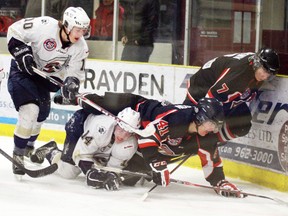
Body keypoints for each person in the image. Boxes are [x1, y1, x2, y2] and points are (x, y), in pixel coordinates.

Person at [54, 92, 245, 197]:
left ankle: (100, 162)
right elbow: (147, 138)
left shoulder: (205, 135)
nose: (213, 130)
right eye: (212, 124)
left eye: (216, 126)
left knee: (130, 178)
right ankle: (73, 96)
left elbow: (210, 159)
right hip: (139, 108)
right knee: (104, 104)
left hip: (140, 134)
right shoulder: (177, 118)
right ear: (201, 117)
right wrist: (156, 162)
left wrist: (220, 182)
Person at [7, 7, 90, 176]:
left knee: (41, 115)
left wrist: (71, 84)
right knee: (30, 110)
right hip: (23, 71)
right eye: (78, 29)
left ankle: (29, 146)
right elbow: (14, 30)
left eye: (84, 30)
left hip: (44, 78)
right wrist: (22, 52)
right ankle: (18, 154)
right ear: (67, 25)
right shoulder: (44, 26)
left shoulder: (81, 47)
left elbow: (75, 73)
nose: (80, 34)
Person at [183, 48, 280, 150]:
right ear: (256, 64)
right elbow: (212, 97)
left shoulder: (255, 70)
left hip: (223, 93)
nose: (265, 77)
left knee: (242, 125)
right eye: (264, 71)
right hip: (201, 88)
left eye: (269, 74)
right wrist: (209, 122)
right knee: (186, 125)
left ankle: (210, 141)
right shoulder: (239, 73)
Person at [30, 107, 140, 191]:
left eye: (128, 132)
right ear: (116, 122)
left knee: (99, 166)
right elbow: (81, 153)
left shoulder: (130, 144)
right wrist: (89, 172)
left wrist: (111, 176)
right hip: (79, 125)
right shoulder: (101, 127)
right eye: (121, 129)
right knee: (68, 172)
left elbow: (112, 167)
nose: (122, 136)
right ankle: (51, 151)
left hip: (98, 142)